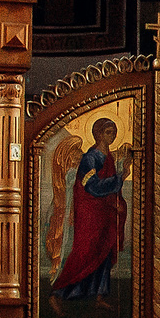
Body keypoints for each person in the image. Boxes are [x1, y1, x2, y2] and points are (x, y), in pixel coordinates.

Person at [52, 118, 130, 302]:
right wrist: (120, 178)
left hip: (105, 211)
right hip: (90, 212)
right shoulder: (90, 157)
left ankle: (99, 296)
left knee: (103, 252)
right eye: (108, 132)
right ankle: (58, 294)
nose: (112, 136)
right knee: (85, 252)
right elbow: (91, 186)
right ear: (98, 134)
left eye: (114, 132)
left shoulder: (108, 155)